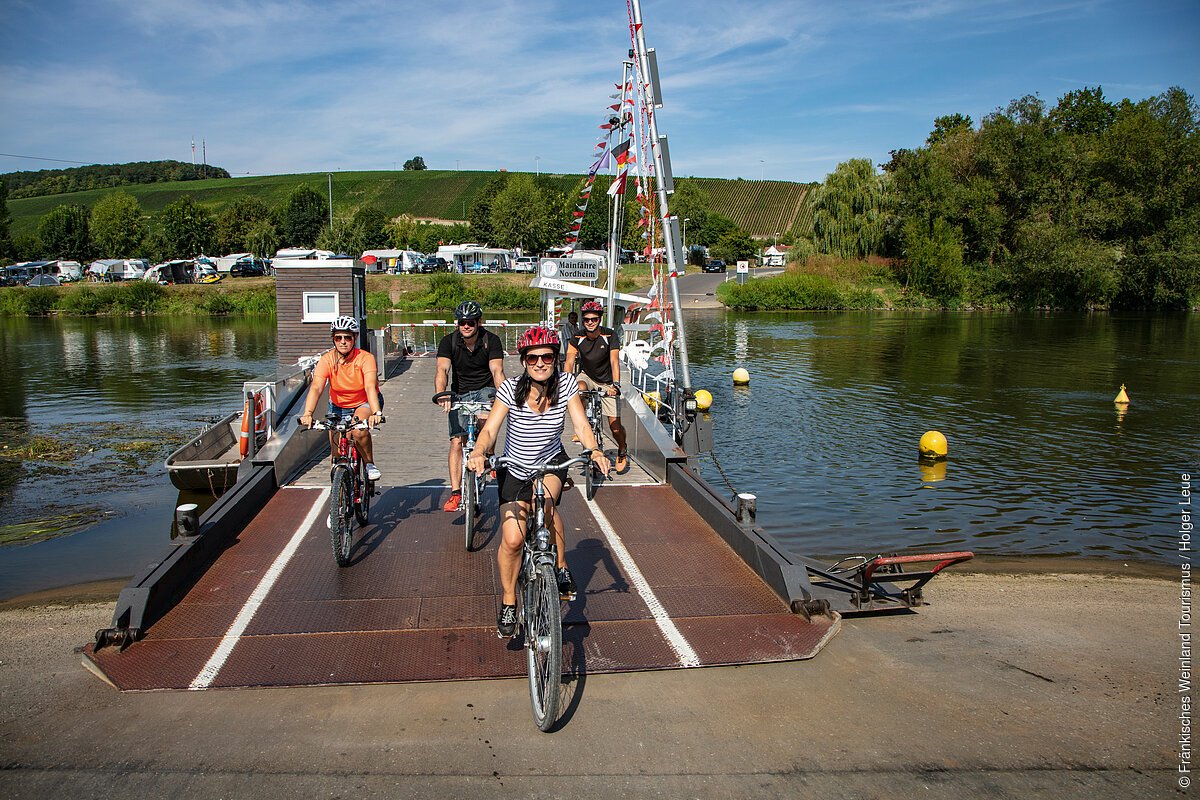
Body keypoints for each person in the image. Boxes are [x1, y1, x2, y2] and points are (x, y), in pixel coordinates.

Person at [466, 326, 610, 638]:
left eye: (547, 357)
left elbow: (582, 425)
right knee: (514, 540)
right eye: (533, 358)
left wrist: (595, 450)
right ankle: (508, 600)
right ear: (524, 361)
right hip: (515, 467)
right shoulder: (509, 389)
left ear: (556, 359)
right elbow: (490, 429)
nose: (540, 363)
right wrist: (479, 451)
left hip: (551, 462)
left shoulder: (568, 385)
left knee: (544, 503)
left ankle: (559, 567)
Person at [434, 300, 506, 512]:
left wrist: (503, 397)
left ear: (479, 323)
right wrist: (442, 394)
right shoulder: (449, 341)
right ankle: (456, 493)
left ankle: (488, 454)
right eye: (462, 322)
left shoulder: (491, 340)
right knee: (457, 441)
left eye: (471, 322)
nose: (466, 326)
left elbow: (497, 372)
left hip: (485, 389)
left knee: (486, 422)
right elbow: (442, 370)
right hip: (459, 392)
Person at [299, 316, 384, 481]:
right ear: (333, 339)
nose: (343, 342)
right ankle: (340, 490)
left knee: (358, 431)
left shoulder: (365, 358)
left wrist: (376, 413)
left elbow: (369, 387)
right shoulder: (327, 360)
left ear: (355, 338)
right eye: (338, 338)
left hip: (364, 401)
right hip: (338, 405)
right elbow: (316, 387)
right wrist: (308, 413)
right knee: (337, 452)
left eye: (347, 337)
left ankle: (369, 464)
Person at [564, 300, 630, 473]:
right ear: (582, 321)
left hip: (607, 381)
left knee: (615, 427)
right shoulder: (577, 337)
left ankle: (622, 450)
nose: (590, 322)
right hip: (587, 376)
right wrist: (565, 381)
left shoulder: (610, 335)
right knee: (578, 388)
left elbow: (614, 361)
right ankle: (582, 423)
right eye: (586, 319)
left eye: (594, 319)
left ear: (600, 319)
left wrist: (615, 385)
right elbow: (569, 362)